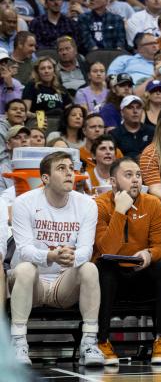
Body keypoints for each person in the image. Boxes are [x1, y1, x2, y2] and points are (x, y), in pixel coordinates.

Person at [9, 150, 105, 366]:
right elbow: (24, 250)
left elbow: (86, 250)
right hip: (33, 284)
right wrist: (50, 256)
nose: (69, 173)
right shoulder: (23, 202)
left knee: (89, 268)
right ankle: (18, 343)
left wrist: (72, 258)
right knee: (25, 268)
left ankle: (89, 342)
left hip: (64, 284)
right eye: (61, 169)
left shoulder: (87, 204)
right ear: (45, 178)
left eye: (71, 168)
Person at [93, 156, 161, 365]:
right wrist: (120, 211)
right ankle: (101, 340)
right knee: (103, 268)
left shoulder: (153, 203)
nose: (136, 180)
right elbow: (105, 249)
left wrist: (149, 254)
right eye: (128, 175)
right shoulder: (99, 205)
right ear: (113, 181)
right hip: (111, 278)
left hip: (141, 273)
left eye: (138, 175)